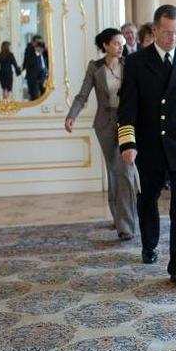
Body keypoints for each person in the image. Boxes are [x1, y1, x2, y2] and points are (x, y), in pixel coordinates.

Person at [118, 4, 176, 291]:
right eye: (167, 32)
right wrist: (128, 143)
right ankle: (150, 242)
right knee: (148, 200)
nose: (173, 37)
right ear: (155, 29)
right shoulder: (136, 63)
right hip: (150, 146)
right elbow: (127, 108)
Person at [65, 28, 138, 241]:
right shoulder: (95, 67)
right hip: (104, 125)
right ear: (105, 45)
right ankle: (120, 219)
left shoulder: (130, 64)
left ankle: (127, 224)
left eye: (122, 43)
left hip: (128, 123)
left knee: (126, 169)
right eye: (116, 43)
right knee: (114, 171)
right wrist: (72, 115)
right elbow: (82, 95)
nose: (121, 47)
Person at [22, 35, 49, 100]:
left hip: (43, 74)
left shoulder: (42, 48)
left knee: (45, 94)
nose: (39, 44)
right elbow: (28, 61)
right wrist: (36, 52)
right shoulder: (29, 49)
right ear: (33, 42)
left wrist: (46, 50)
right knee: (35, 97)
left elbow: (47, 59)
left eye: (40, 42)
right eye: (37, 42)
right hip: (33, 77)